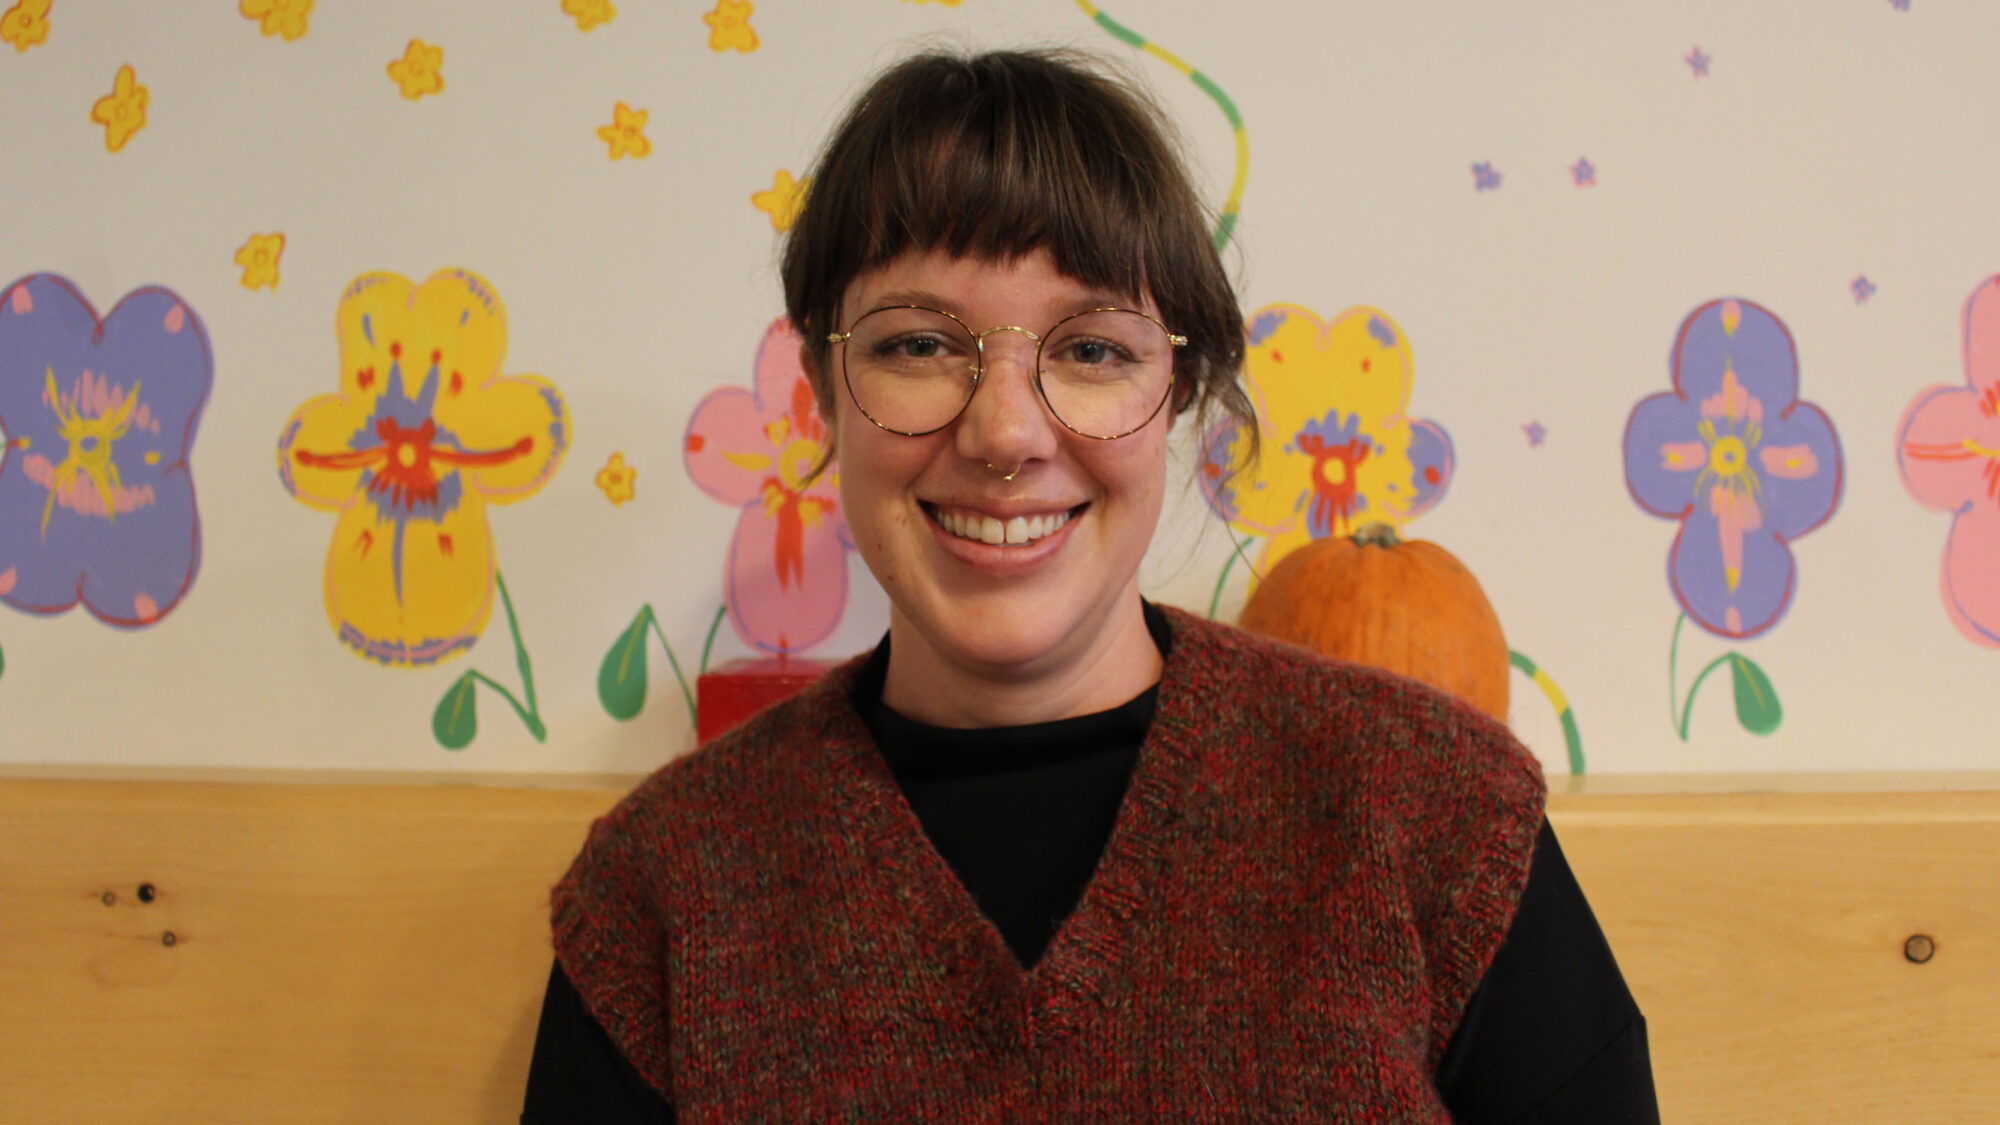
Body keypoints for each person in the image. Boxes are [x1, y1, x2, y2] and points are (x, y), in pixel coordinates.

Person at [522, 47, 1659, 1123]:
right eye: (917, 346)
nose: (1005, 431)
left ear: (1182, 395)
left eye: (1094, 350)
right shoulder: (664, 899)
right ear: (821, 392)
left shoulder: (1435, 822)